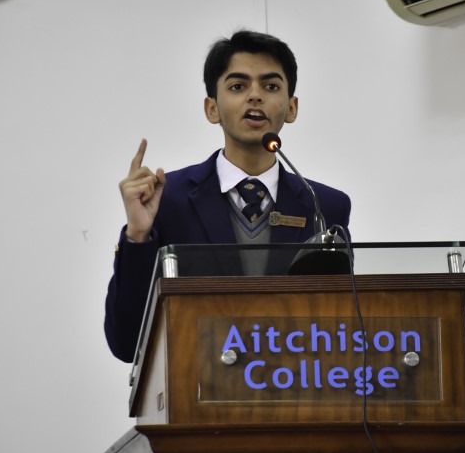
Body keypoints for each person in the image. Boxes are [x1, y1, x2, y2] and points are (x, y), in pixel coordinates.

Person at [104, 30, 352, 362]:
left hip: (295, 384)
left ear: (291, 108)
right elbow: (127, 342)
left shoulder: (324, 205)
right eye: (238, 86)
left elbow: (339, 327)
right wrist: (138, 235)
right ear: (212, 108)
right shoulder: (167, 198)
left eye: (271, 86)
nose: (255, 96)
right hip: (197, 385)